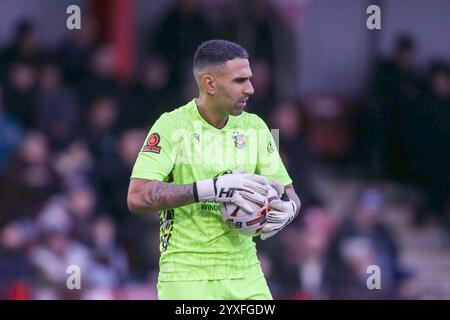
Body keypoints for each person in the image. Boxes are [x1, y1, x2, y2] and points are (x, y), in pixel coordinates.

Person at [127, 39, 301, 300]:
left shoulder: (256, 127)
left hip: (245, 272)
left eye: (250, 79)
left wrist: (290, 209)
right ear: (210, 84)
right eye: (239, 81)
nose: (251, 89)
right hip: (187, 274)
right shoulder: (171, 126)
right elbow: (137, 196)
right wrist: (212, 190)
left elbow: (288, 191)